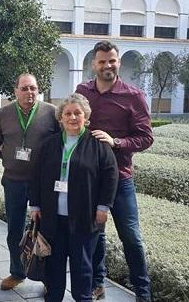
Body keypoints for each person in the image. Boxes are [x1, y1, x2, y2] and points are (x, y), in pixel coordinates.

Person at [76, 40, 154, 302]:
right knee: (95, 235)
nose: (107, 65)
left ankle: (143, 293)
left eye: (112, 60)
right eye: (102, 61)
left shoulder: (133, 96)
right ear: (93, 64)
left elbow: (145, 137)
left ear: (118, 62)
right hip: (90, 180)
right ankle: (97, 283)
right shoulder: (82, 92)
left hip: (120, 179)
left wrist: (116, 142)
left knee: (131, 237)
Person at [29, 93, 118, 302]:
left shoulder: (97, 144)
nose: (72, 117)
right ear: (60, 118)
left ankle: (83, 298)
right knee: (54, 266)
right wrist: (34, 204)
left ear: (85, 116)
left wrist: (104, 206)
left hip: (84, 218)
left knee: (82, 267)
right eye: (67, 113)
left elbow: (111, 175)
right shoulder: (49, 144)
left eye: (77, 113)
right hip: (52, 218)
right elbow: (36, 175)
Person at [0, 73, 59, 290]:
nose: (30, 93)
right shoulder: (3, 114)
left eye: (33, 88)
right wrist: (9, 157)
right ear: (15, 91)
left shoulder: (51, 112)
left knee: (47, 231)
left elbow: (60, 143)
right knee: (14, 230)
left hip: (43, 184)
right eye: (25, 88)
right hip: (14, 181)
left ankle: (47, 278)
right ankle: (17, 272)